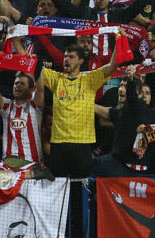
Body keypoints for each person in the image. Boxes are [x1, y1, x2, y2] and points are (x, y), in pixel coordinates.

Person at [40, 44, 120, 178]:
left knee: (80, 188)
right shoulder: (56, 79)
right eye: (65, 56)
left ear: (80, 61)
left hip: (82, 143)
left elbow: (113, 65)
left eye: (71, 57)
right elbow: (31, 67)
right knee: (57, 187)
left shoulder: (90, 80)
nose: (66, 60)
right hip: (59, 143)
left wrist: (119, 40)